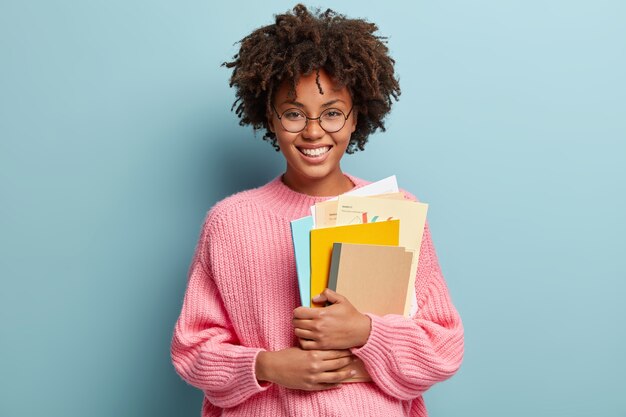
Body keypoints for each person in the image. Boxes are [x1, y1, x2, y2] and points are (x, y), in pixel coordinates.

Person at [170, 4, 463, 416]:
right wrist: (268, 366)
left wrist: (366, 331)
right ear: (269, 118)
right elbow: (193, 349)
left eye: (331, 113)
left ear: (355, 116)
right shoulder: (229, 222)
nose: (312, 130)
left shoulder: (397, 212)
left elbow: (442, 345)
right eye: (293, 113)